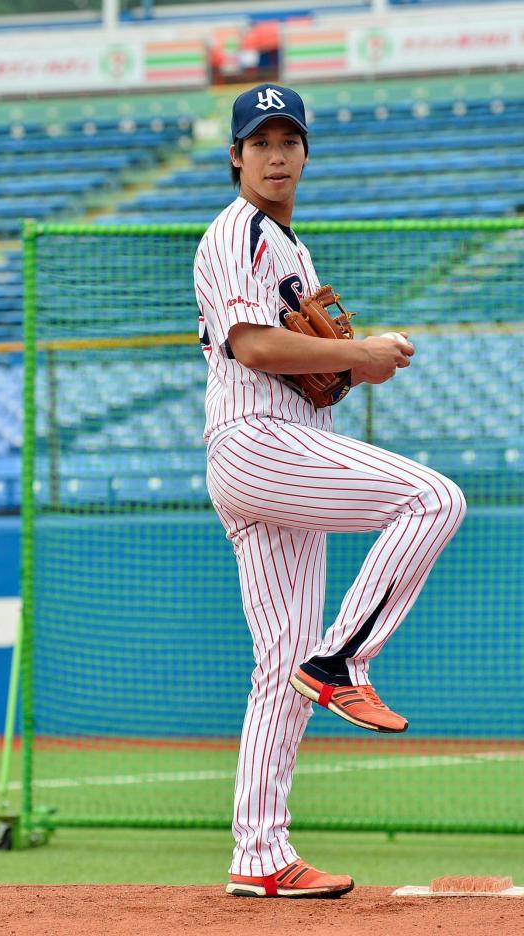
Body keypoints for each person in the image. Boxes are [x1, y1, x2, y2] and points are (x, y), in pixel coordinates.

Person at [193, 86, 466, 898]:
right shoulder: (237, 230)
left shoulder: (289, 247)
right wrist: (364, 356)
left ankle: (259, 853)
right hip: (256, 445)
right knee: (434, 500)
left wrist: (337, 365)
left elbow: (294, 360)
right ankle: (344, 658)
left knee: (279, 665)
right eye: (260, 141)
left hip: (283, 447)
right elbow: (247, 343)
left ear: (306, 153)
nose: (276, 153)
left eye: (289, 139)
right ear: (236, 156)